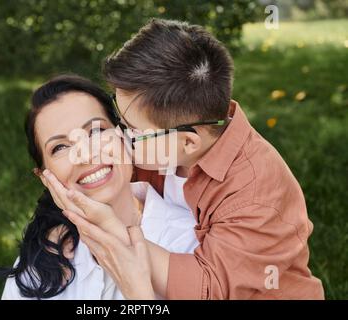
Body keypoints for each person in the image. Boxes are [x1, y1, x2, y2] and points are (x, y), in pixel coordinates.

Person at [48, 19, 325, 299]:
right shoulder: (164, 145)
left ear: (188, 141)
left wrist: (113, 231)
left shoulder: (256, 193)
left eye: (131, 129)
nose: (120, 134)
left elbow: (207, 290)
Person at [1, 74, 198, 299]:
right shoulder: (39, 263)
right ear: (45, 178)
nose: (86, 154)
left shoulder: (189, 242)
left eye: (96, 131)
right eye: (60, 147)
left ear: (124, 135)